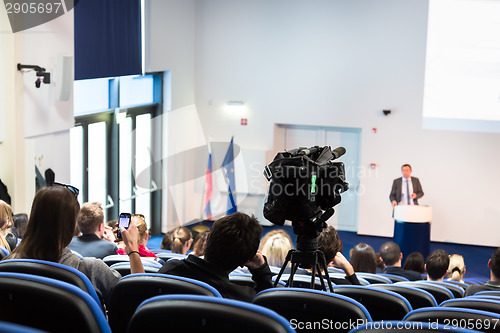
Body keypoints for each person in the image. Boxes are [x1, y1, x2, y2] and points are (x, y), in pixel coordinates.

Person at [4, 185, 144, 301]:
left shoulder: (7, 266)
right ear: (71, 225)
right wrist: (132, 248)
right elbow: (136, 298)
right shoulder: (90, 270)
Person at [158, 212, 273, 302]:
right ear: (245, 262)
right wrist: (262, 273)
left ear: (207, 240)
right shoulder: (241, 298)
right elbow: (268, 308)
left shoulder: (169, 270)